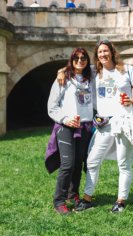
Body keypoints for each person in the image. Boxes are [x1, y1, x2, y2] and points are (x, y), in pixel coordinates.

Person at [74, 40, 133, 213]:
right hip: (103, 123)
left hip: (124, 122)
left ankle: (120, 201)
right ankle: (87, 199)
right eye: (99, 52)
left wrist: (131, 100)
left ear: (112, 52)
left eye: (105, 51)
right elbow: (73, 69)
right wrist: (61, 72)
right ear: (96, 55)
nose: (103, 54)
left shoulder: (128, 70)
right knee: (92, 161)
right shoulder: (93, 72)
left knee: (123, 163)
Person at [45, 48, 94, 214]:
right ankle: (59, 200)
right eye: (76, 58)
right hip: (66, 127)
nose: (80, 61)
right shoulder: (63, 78)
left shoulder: (90, 77)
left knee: (78, 163)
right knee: (67, 164)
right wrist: (66, 119)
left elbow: (104, 67)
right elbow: (52, 107)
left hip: (85, 126)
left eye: (83, 58)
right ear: (71, 60)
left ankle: (73, 195)